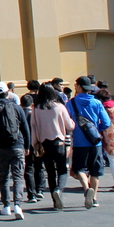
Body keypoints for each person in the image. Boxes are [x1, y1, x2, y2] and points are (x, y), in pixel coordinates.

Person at [0, 81, 30, 220]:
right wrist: (27, 146)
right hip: (17, 145)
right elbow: (25, 128)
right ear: (7, 92)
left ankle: (6, 206)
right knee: (18, 176)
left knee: (3, 177)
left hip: (0, 147)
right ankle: (18, 205)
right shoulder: (17, 108)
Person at [67, 76, 111, 209]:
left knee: (79, 169)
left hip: (80, 142)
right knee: (95, 171)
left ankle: (86, 189)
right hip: (95, 142)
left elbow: (68, 122)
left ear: (79, 87)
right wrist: (97, 130)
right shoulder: (97, 103)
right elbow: (107, 122)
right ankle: (95, 198)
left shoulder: (71, 103)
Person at [30, 83, 74, 211]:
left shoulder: (36, 109)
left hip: (44, 143)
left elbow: (34, 127)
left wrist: (35, 143)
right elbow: (70, 125)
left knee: (50, 172)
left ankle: (55, 202)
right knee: (62, 170)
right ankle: (59, 190)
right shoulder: (60, 107)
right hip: (59, 142)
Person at [20, 95, 46, 203]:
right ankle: (40, 189)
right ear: (32, 104)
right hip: (36, 142)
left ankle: (31, 194)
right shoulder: (35, 114)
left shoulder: (20, 114)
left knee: (28, 169)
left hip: (24, 144)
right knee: (39, 166)